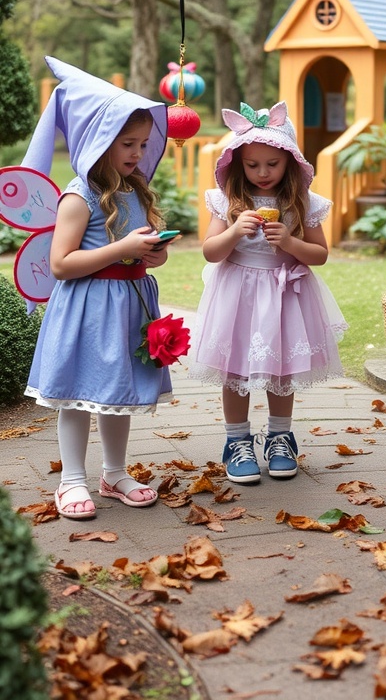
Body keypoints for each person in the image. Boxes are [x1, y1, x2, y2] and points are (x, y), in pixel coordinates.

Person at [22, 57, 178, 520]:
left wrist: (154, 253)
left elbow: (143, 248)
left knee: (118, 393)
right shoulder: (80, 196)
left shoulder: (135, 189)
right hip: (87, 308)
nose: (136, 152)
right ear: (98, 140)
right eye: (126, 143)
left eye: (143, 143)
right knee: (76, 396)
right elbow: (62, 264)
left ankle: (114, 473)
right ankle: (71, 480)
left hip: (129, 305)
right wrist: (121, 249)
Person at [191, 101, 347, 484]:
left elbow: (320, 255)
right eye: (252, 165)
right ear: (239, 164)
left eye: (272, 164)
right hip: (237, 296)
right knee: (235, 370)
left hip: (282, 296)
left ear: (290, 162)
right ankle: (237, 442)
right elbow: (211, 251)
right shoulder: (227, 200)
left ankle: (280, 436)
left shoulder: (303, 203)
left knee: (280, 370)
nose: (262, 173)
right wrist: (232, 232)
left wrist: (291, 243)